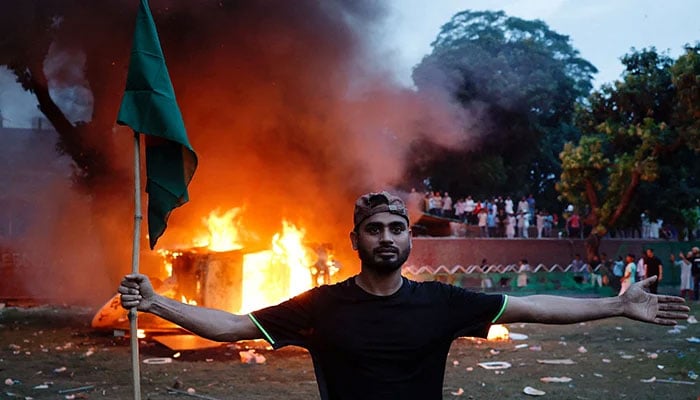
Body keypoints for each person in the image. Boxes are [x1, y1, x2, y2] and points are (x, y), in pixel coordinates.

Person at [119, 192, 688, 400]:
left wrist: (616, 304)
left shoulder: (442, 302)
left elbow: (534, 307)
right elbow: (231, 327)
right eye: (375, 229)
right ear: (355, 240)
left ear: (409, 239)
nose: (387, 238)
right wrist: (155, 302)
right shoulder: (319, 307)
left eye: (397, 229)